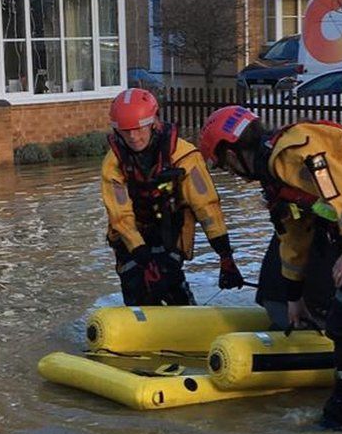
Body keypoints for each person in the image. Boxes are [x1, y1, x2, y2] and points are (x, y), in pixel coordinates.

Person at [198, 106, 342, 431]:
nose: (231, 173)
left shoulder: (291, 153)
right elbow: (294, 236)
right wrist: (294, 295)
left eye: (224, 164)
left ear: (233, 153)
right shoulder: (275, 174)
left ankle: (339, 420)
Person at [101, 88, 244, 306]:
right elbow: (120, 215)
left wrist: (225, 256)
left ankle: (186, 313)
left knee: (169, 278)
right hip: (132, 238)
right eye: (126, 131)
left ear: (153, 122)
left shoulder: (185, 156)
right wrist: (143, 257)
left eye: (138, 129)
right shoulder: (113, 163)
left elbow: (206, 207)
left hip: (172, 230)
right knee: (134, 283)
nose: (133, 137)